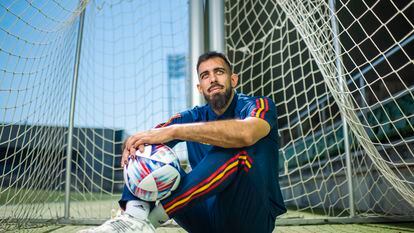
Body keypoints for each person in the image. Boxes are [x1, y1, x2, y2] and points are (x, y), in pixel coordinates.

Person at [80, 51, 286, 233]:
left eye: (219, 72)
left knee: (235, 147)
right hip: (204, 219)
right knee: (148, 152)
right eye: (205, 75)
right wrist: (136, 145)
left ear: (233, 80)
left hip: (250, 218)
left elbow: (246, 134)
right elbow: (150, 140)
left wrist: (176, 131)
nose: (212, 79)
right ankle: (134, 221)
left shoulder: (258, 105)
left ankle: (150, 222)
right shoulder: (192, 116)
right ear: (200, 87)